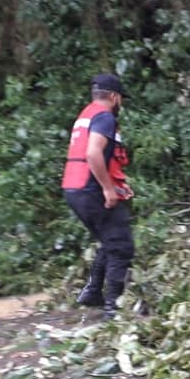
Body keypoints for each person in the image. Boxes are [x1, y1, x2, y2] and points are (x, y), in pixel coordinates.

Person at [62, 74, 135, 318]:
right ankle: (113, 306)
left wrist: (117, 185)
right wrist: (107, 188)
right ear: (113, 97)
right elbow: (94, 154)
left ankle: (92, 292)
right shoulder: (104, 117)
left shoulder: (86, 114)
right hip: (90, 189)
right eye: (120, 99)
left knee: (108, 239)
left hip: (74, 188)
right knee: (121, 245)